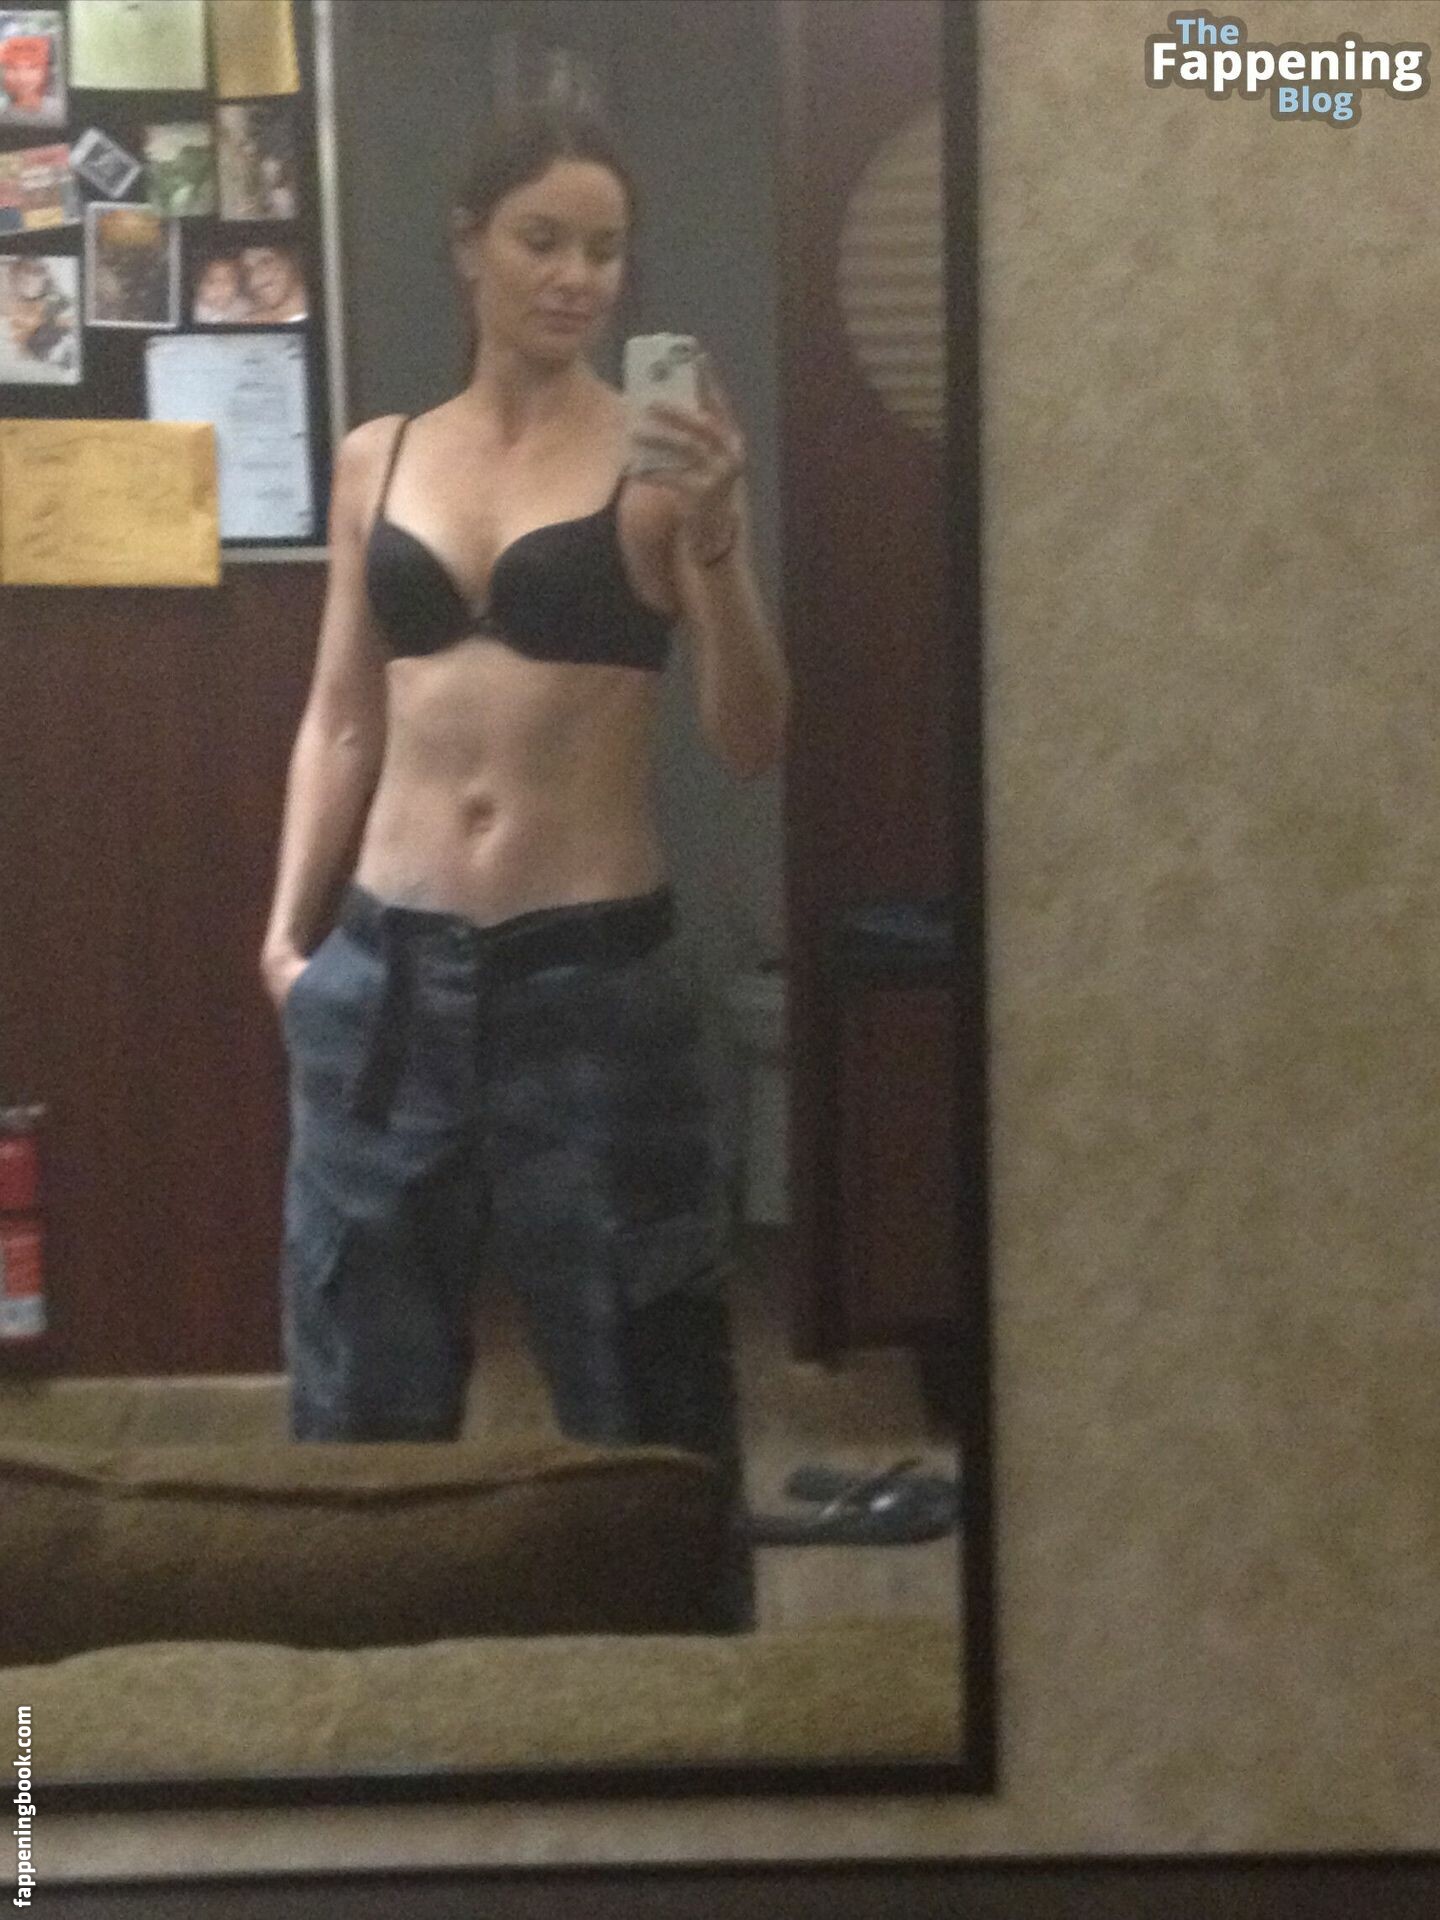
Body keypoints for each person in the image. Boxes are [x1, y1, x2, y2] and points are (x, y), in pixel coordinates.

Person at [259, 99, 788, 1631]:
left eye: (605, 250)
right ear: (468, 247)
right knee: (360, 1394)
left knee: (645, 1398)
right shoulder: (378, 459)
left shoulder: (663, 465)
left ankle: (684, 1718)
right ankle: (370, 1722)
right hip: (382, 975)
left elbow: (751, 738)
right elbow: (341, 717)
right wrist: (287, 943)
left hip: (590, 985)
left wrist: (721, 547)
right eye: (542, 239)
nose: (575, 277)